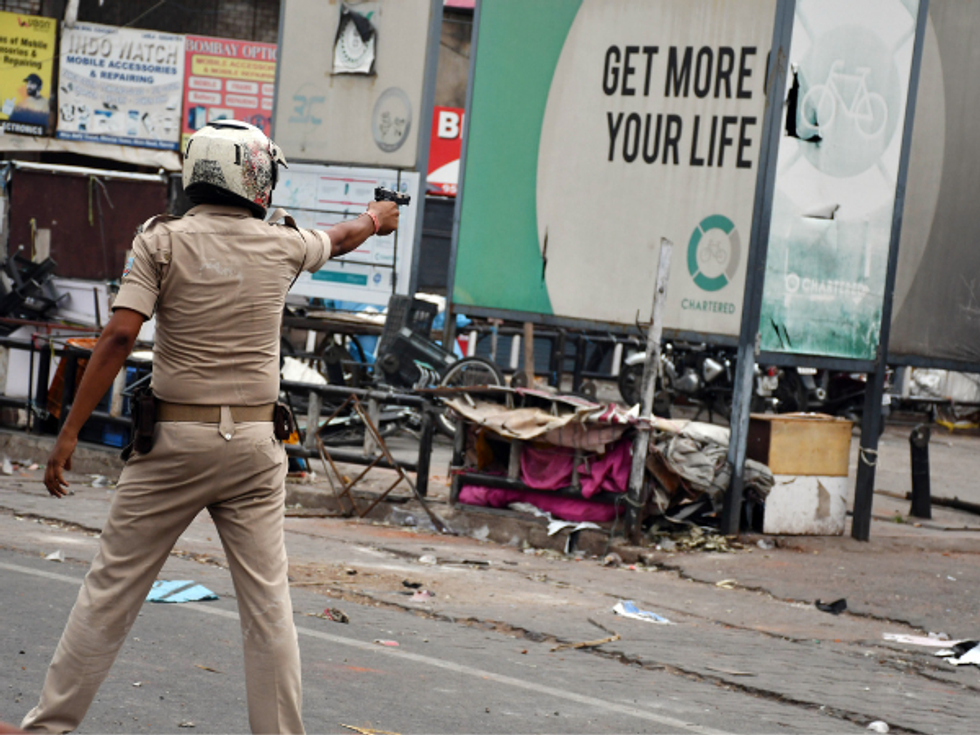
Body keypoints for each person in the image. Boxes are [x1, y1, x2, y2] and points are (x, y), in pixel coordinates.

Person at [21, 120, 399, 734]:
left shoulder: (160, 240)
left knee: (110, 590)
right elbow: (344, 235)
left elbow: (118, 337)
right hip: (254, 447)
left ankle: (50, 727)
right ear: (254, 177)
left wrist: (67, 434)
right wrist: (377, 217)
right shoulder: (283, 244)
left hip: (171, 444)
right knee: (268, 607)